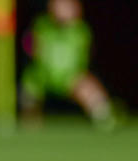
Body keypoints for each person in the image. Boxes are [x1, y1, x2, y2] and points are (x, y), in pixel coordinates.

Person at [20, 0, 118, 131]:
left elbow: (81, 61)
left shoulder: (80, 32)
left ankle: (103, 117)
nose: (63, 11)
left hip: (68, 77)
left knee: (88, 86)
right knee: (28, 89)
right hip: (43, 75)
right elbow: (28, 44)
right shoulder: (42, 25)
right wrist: (32, 47)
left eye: (67, 7)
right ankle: (30, 125)